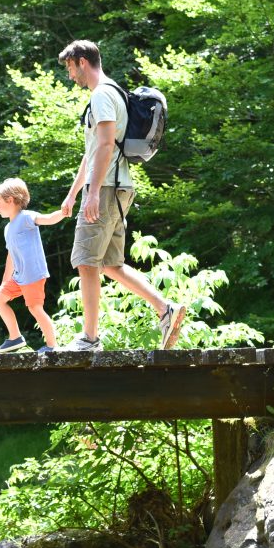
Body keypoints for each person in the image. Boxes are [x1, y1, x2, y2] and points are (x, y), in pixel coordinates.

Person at [58, 39, 186, 351]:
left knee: (86, 261)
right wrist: (74, 193)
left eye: (70, 68)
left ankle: (89, 338)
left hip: (106, 188)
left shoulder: (102, 94)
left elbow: (104, 146)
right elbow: (92, 151)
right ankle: (164, 308)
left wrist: (92, 194)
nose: (70, 75)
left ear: (82, 62)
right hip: (117, 186)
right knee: (111, 264)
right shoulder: (112, 91)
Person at [0, 177, 65, 353]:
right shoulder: (8, 228)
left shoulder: (26, 217)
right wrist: (4, 282)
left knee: (34, 308)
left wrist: (62, 212)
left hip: (32, 275)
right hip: (18, 276)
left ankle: (52, 346)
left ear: (11, 200)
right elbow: (11, 256)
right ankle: (15, 338)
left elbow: (47, 219)